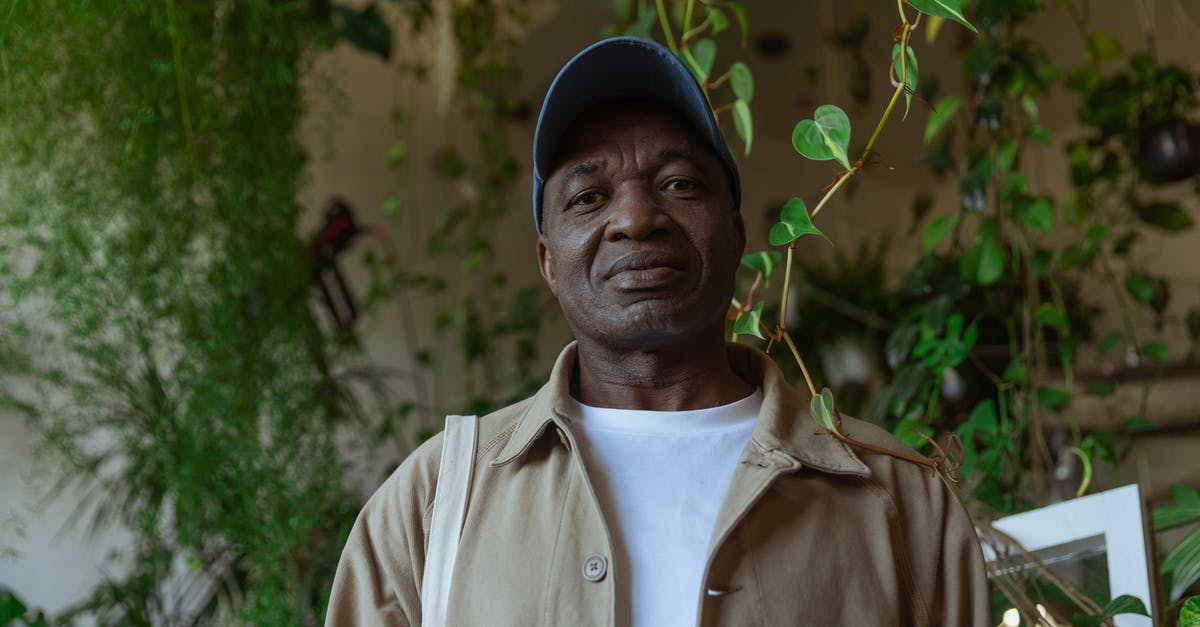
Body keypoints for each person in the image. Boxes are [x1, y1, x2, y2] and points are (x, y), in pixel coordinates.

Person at [326, 36, 989, 626]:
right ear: (548, 260)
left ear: (735, 236)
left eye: (678, 183)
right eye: (590, 197)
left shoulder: (898, 496)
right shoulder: (435, 503)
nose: (637, 218)